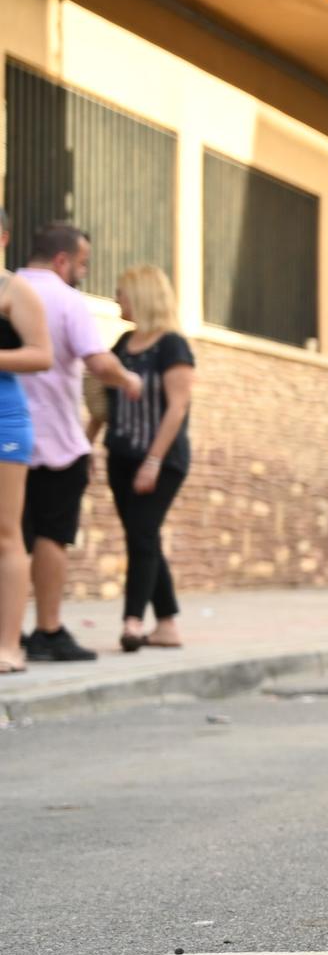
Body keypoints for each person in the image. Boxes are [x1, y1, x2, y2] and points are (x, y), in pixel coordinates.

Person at [18, 223, 141, 663]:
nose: (83, 274)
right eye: (83, 265)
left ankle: (7, 633)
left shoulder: (8, 290)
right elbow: (98, 361)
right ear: (62, 261)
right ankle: (48, 630)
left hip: (7, 439)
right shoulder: (66, 300)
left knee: (11, 538)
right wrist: (127, 378)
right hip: (55, 441)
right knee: (52, 536)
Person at [84, 266, 197, 653]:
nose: (117, 299)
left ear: (143, 296)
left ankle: (133, 621)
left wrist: (153, 461)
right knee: (141, 534)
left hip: (163, 459)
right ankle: (166, 626)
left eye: (122, 292)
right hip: (122, 454)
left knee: (143, 534)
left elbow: (177, 406)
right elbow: (104, 402)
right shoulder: (123, 343)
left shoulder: (172, 346)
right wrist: (86, 445)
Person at [0, 210, 53, 673]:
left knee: (5, 533)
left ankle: (9, 645)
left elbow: (42, 354)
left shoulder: (15, 291)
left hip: (4, 420)